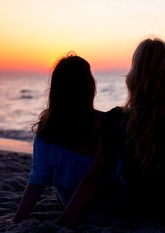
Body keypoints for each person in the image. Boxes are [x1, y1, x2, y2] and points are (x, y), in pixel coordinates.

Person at [56, 38, 165, 233]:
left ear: (133, 77)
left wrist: (60, 224)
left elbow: (94, 179)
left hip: (137, 209)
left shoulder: (114, 121)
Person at [13, 53, 110, 222]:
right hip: (111, 207)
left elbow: (38, 179)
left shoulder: (47, 133)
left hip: (70, 205)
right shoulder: (110, 123)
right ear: (89, 86)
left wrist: (19, 218)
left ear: (56, 90)